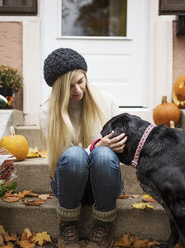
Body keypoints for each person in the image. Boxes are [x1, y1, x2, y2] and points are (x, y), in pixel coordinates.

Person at [40, 48, 127, 248]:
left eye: (80, 81)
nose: (78, 89)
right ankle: (67, 224)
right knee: (75, 156)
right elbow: (65, 160)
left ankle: (104, 226)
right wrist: (96, 145)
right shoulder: (47, 112)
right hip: (68, 187)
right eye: (69, 87)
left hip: (104, 185)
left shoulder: (107, 101)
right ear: (58, 89)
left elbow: (121, 148)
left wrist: (118, 146)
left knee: (104, 155)